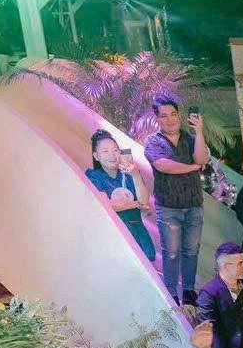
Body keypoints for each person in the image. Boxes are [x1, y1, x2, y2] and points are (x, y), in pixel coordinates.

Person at [144, 95, 209, 304]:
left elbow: (202, 158)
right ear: (157, 119)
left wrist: (199, 131)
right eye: (164, 116)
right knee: (171, 252)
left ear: (179, 115)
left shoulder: (190, 139)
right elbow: (164, 165)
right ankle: (171, 293)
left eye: (173, 114)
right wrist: (193, 167)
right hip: (169, 207)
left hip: (194, 205)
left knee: (191, 251)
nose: (170, 119)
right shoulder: (153, 141)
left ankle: (189, 291)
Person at [86, 129, 155, 257]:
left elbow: (144, 201)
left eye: (115, 150)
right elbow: (105, 205)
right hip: (113, 238)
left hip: (138, 237)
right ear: (96, 156)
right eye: (105, 151)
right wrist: (135, 204)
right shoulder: (93, 176)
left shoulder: (130, 174)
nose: (112, 155)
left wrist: (135, 174)